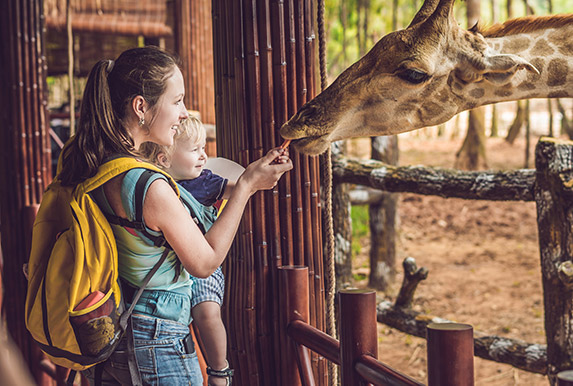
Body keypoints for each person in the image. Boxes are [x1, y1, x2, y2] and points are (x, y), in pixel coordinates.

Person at [58, 46, 292, 385]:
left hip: (115, 336)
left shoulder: (96, 162)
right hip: (157, 341)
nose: (183, 113)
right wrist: (245, 188)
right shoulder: (147, 185)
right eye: (177, 100)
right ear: (141, 107)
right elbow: (205, 261)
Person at [140, 116, 235, 386]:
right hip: (172, 271)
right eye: (195, 150)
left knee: (207, 313)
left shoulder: (204, 181)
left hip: (202, 264)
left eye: (204, 148)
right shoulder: (153, 184)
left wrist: (252, 181)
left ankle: (219, 370)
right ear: (163, 160)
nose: (204, 156)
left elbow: (235, 189)